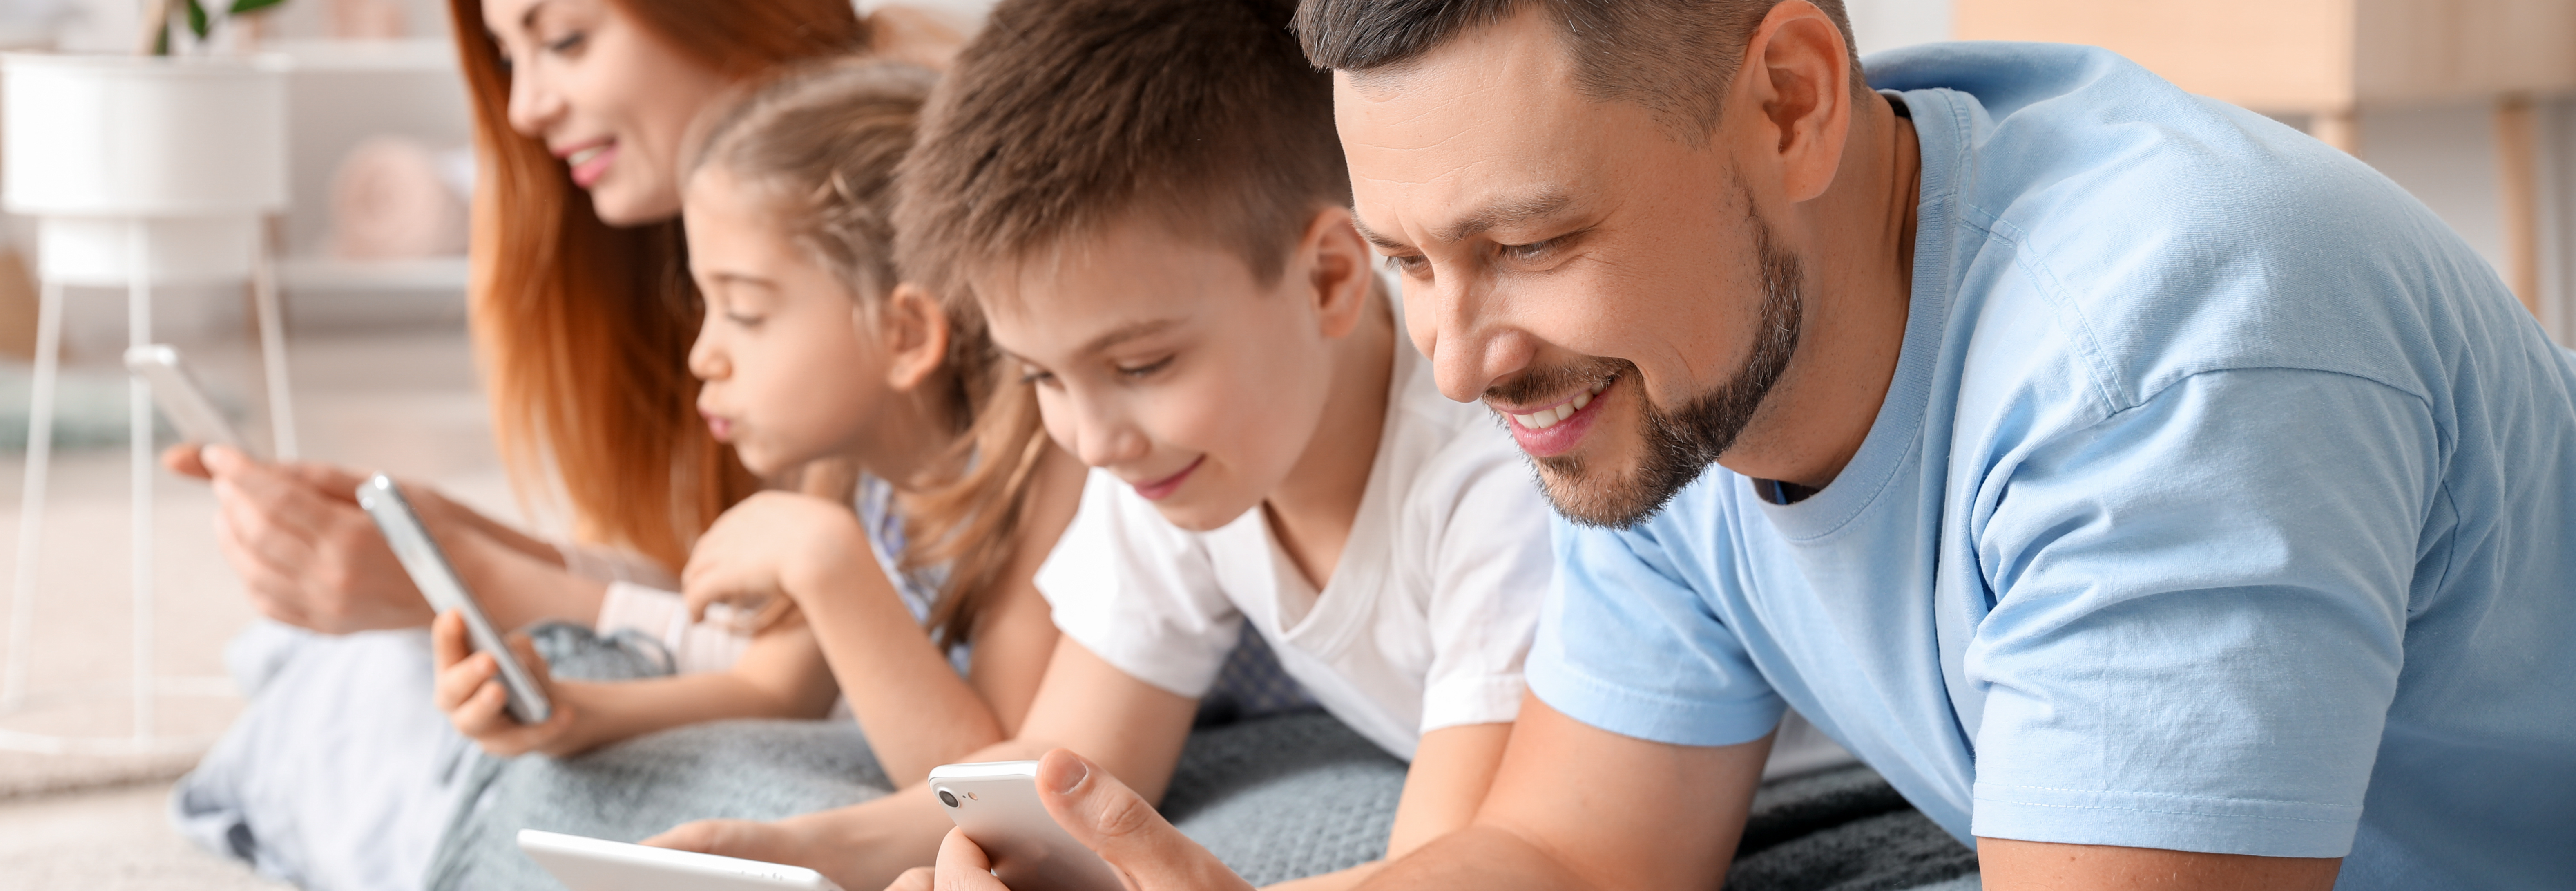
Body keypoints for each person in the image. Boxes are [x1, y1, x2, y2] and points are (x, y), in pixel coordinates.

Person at [918, 1, 2576, 890]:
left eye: (1530, 240)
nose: (1458, 357)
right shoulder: (1659, 384)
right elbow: (1577, 853)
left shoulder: (2158, 346)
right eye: (1412, 260)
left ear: (1791, 101)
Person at [647, 1, 1772, 887]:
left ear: (1332, 275)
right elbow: (1058, 770)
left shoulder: (1493, 469)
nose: (1092, 435)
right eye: (1043, 377)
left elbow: (1456, 860)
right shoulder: (1173, 470)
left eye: (1143, 365)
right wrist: (786, 849)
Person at [163, 3, 917, 889]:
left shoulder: (899, 245)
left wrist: (481, 582)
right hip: (777, 717)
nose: (524, 109)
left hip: (866, 761)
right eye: (506, 56)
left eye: (562, 40)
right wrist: (468, 553)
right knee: (397, 675)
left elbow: (984, 767)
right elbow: (764, 647)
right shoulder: (719, 284)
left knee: (429, 708)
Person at [410, 60, 1088, 888]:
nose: (704, 354)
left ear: (906, 332)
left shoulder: (1044, 465)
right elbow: (773, 688)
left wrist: (829, 564)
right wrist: (570, 713)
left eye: (747, 309)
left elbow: (986, 786)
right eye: (704, 305)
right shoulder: (851, 468)